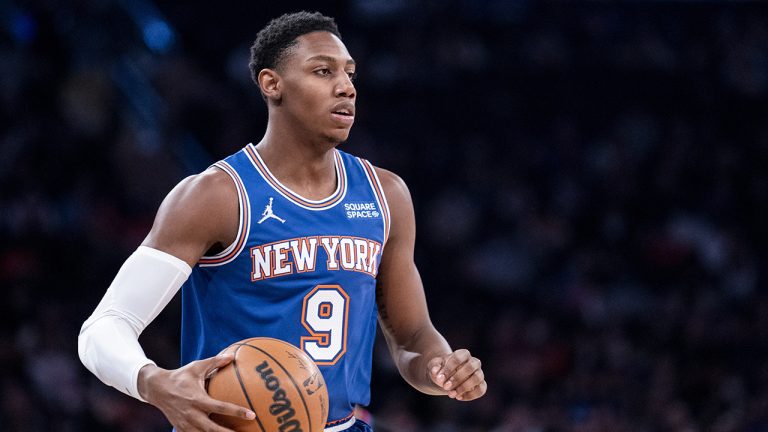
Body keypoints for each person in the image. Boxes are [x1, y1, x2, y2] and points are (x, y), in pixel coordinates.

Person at [78, 11, 487, 432]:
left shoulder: (387, 195)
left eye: (349, 73)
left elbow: (413, 338)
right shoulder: (216, 195)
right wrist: (153, 381)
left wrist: (442, 369)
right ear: (272, 84)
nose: (345, 86)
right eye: (323, 71)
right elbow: (104, 327)